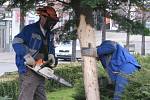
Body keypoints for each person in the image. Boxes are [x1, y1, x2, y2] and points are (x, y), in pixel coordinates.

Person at [12, 6, 59, 100]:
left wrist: (51, 55)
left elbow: (50, 47)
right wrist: (26, 55)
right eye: (50, 21)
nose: (51, 24)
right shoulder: (30, 29)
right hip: (28, 70)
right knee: (26, 96)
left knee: (41, 97)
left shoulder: (49, 33)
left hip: (41, 69)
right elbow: (16, 42)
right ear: (42, 17)